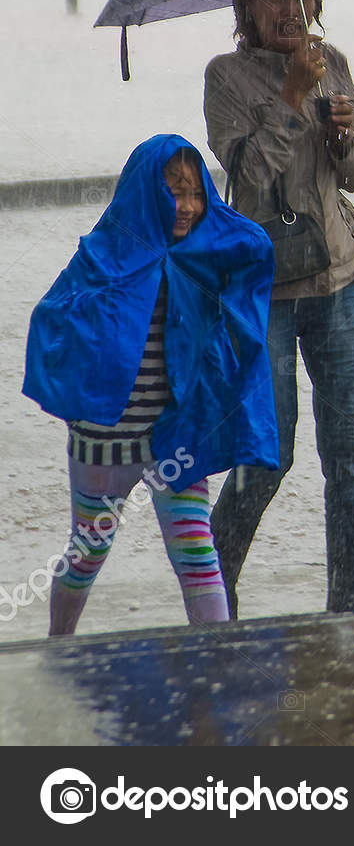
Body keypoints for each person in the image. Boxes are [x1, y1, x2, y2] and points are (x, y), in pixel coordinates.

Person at [23, 136, 278, 635]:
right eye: (173, 190)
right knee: (87, 554)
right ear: (144, 190)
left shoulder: (205, 258)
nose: (185, 206)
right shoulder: (104, 254)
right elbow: (52, 319)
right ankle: (58, 645)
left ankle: (215, 660)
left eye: (196, 192)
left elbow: (253, 263)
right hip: (104, 443)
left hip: (176, 438)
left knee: (199, 556)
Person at [203, 0, 354, 617]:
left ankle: (350, 612)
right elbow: (247, 178)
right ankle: (213, 591)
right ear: (245, 6)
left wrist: (342, 134)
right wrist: (294, 100)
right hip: (265, 293)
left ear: (317, 0)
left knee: (351, 458)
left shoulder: (335, 61)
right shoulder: (227, 75)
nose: (289, 7)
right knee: (268, 454)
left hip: (340, 282)